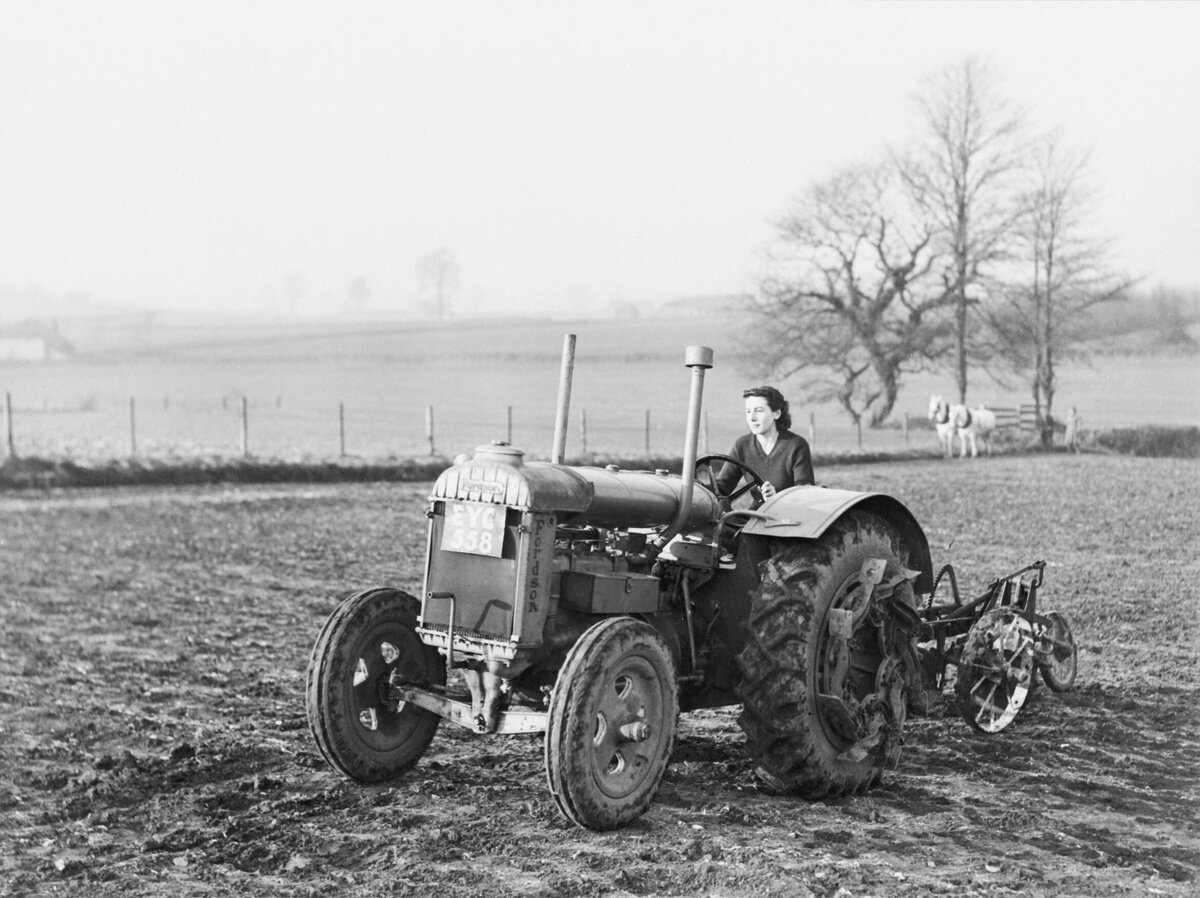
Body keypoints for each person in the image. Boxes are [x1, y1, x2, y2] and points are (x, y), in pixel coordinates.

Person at [715, 386, 814, 499]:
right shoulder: (742, 445)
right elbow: (722, 487)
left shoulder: (796, 445)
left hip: (789, 512)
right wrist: (696, 487)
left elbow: (805, 492)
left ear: (776, 413)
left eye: (759, 411)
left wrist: (776, 497)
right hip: (756, 513)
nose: (752, 418)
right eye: (748, 411)